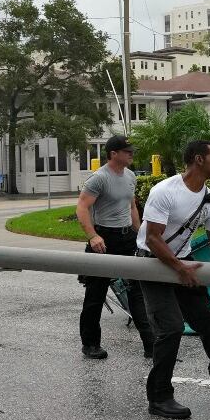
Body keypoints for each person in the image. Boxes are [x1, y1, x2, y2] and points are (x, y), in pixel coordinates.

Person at [137, 140, 210, 419]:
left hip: (182, 264)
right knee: (171, 327)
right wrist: (179, 268)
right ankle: (160, 397)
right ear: (199, 160)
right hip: (153, 264)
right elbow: (152, 238)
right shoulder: (165, 192)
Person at [74, 135, 154, 359]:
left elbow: (131, 207)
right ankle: (90, 345)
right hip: (104, 238)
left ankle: (151, 345)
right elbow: (81, 208)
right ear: (113, 154)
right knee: (95, 295)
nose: (131, 154)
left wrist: (139, 236)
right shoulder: (98, 179)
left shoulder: (130, 176)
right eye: (127, 151)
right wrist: (92, 236)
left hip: (126, 237)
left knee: (137, 291)